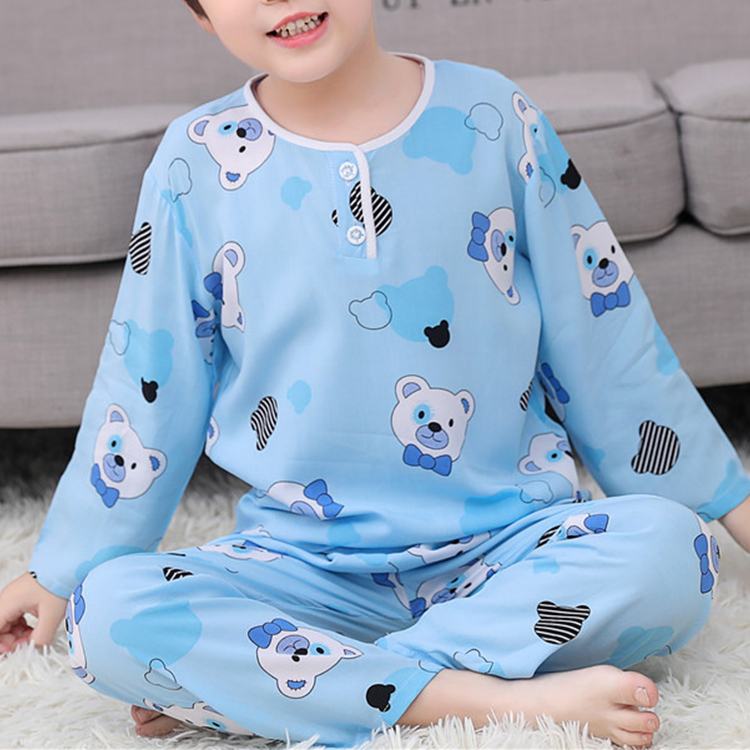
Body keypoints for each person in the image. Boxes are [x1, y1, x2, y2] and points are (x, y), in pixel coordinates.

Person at [2, 1, 750, 747]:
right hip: (299, 569)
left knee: (675, 550)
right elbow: (147, 379)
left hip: (511, 548)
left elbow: (602, 334)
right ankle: (485, 698)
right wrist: (62, 569)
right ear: (201, 14)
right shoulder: (193, 160)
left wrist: (733, 503)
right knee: (110, 612)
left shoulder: (494, 114)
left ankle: (289, 687)